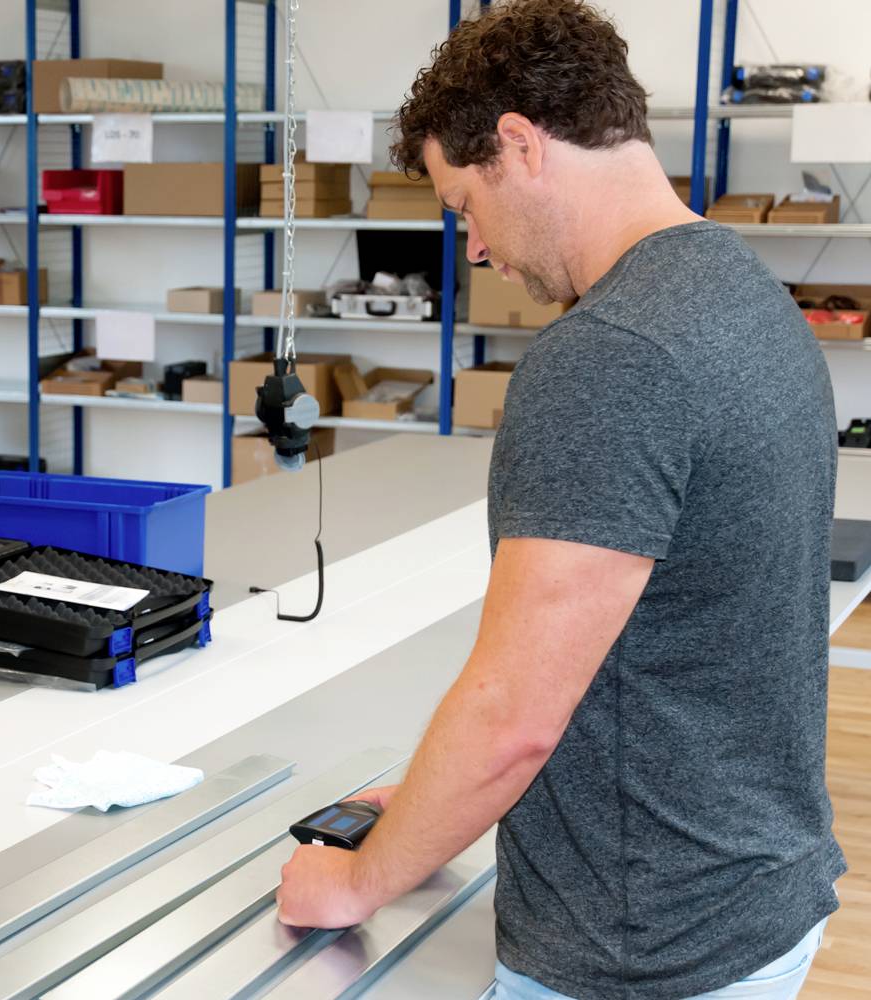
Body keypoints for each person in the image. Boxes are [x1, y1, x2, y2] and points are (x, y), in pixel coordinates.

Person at [275, 2, 846, 997]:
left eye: (464, 207)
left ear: (518, 145)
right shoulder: (749, 297)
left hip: (640, 949)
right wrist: (424, 803)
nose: (478, 249)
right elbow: (680, 638)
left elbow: (513, 717)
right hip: (753, 903)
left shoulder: (607, 356)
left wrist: (360, 876)